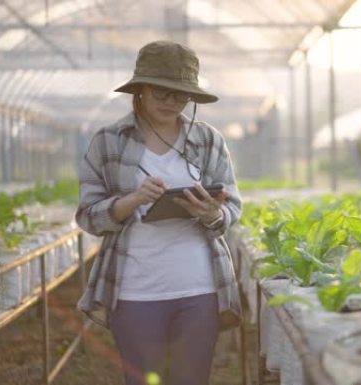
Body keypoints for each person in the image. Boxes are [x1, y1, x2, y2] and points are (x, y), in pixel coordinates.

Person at [75, 40, 242, 385]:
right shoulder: (108, 141)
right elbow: (88, 216)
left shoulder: (209, 141)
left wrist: (211, 212)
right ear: (139, 91)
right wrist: (133, 200)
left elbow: (231, 207)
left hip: (200, 286)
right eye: (161, 92)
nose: (171, 102)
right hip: (135, 289)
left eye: (180, 94)